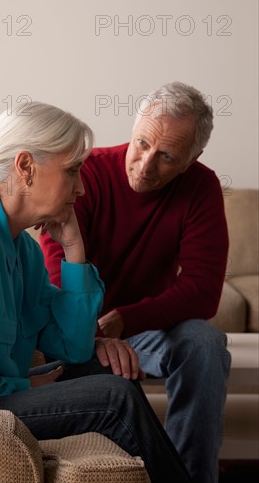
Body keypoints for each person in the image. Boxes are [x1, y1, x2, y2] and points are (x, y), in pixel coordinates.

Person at [0, 101, 192, 483]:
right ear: (25, 167)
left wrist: (74, 252)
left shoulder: (21, 247)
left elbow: (72, 346)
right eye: (72, 171)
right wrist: (24, 384)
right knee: (115, 399)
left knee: (108, 366)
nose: (81, 188)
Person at [40, 83, 232, 483]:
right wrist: (95, 332)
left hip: (146, 331)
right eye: (142, 143)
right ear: (133, 128)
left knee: (205, 342)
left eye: (166, 157)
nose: (145, 165)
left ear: (191, 159)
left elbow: (203, 289)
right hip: (78, 331)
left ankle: (194, 477)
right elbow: (58, 271)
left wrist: (126, 319)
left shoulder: (201, 187)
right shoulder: (86, 173)